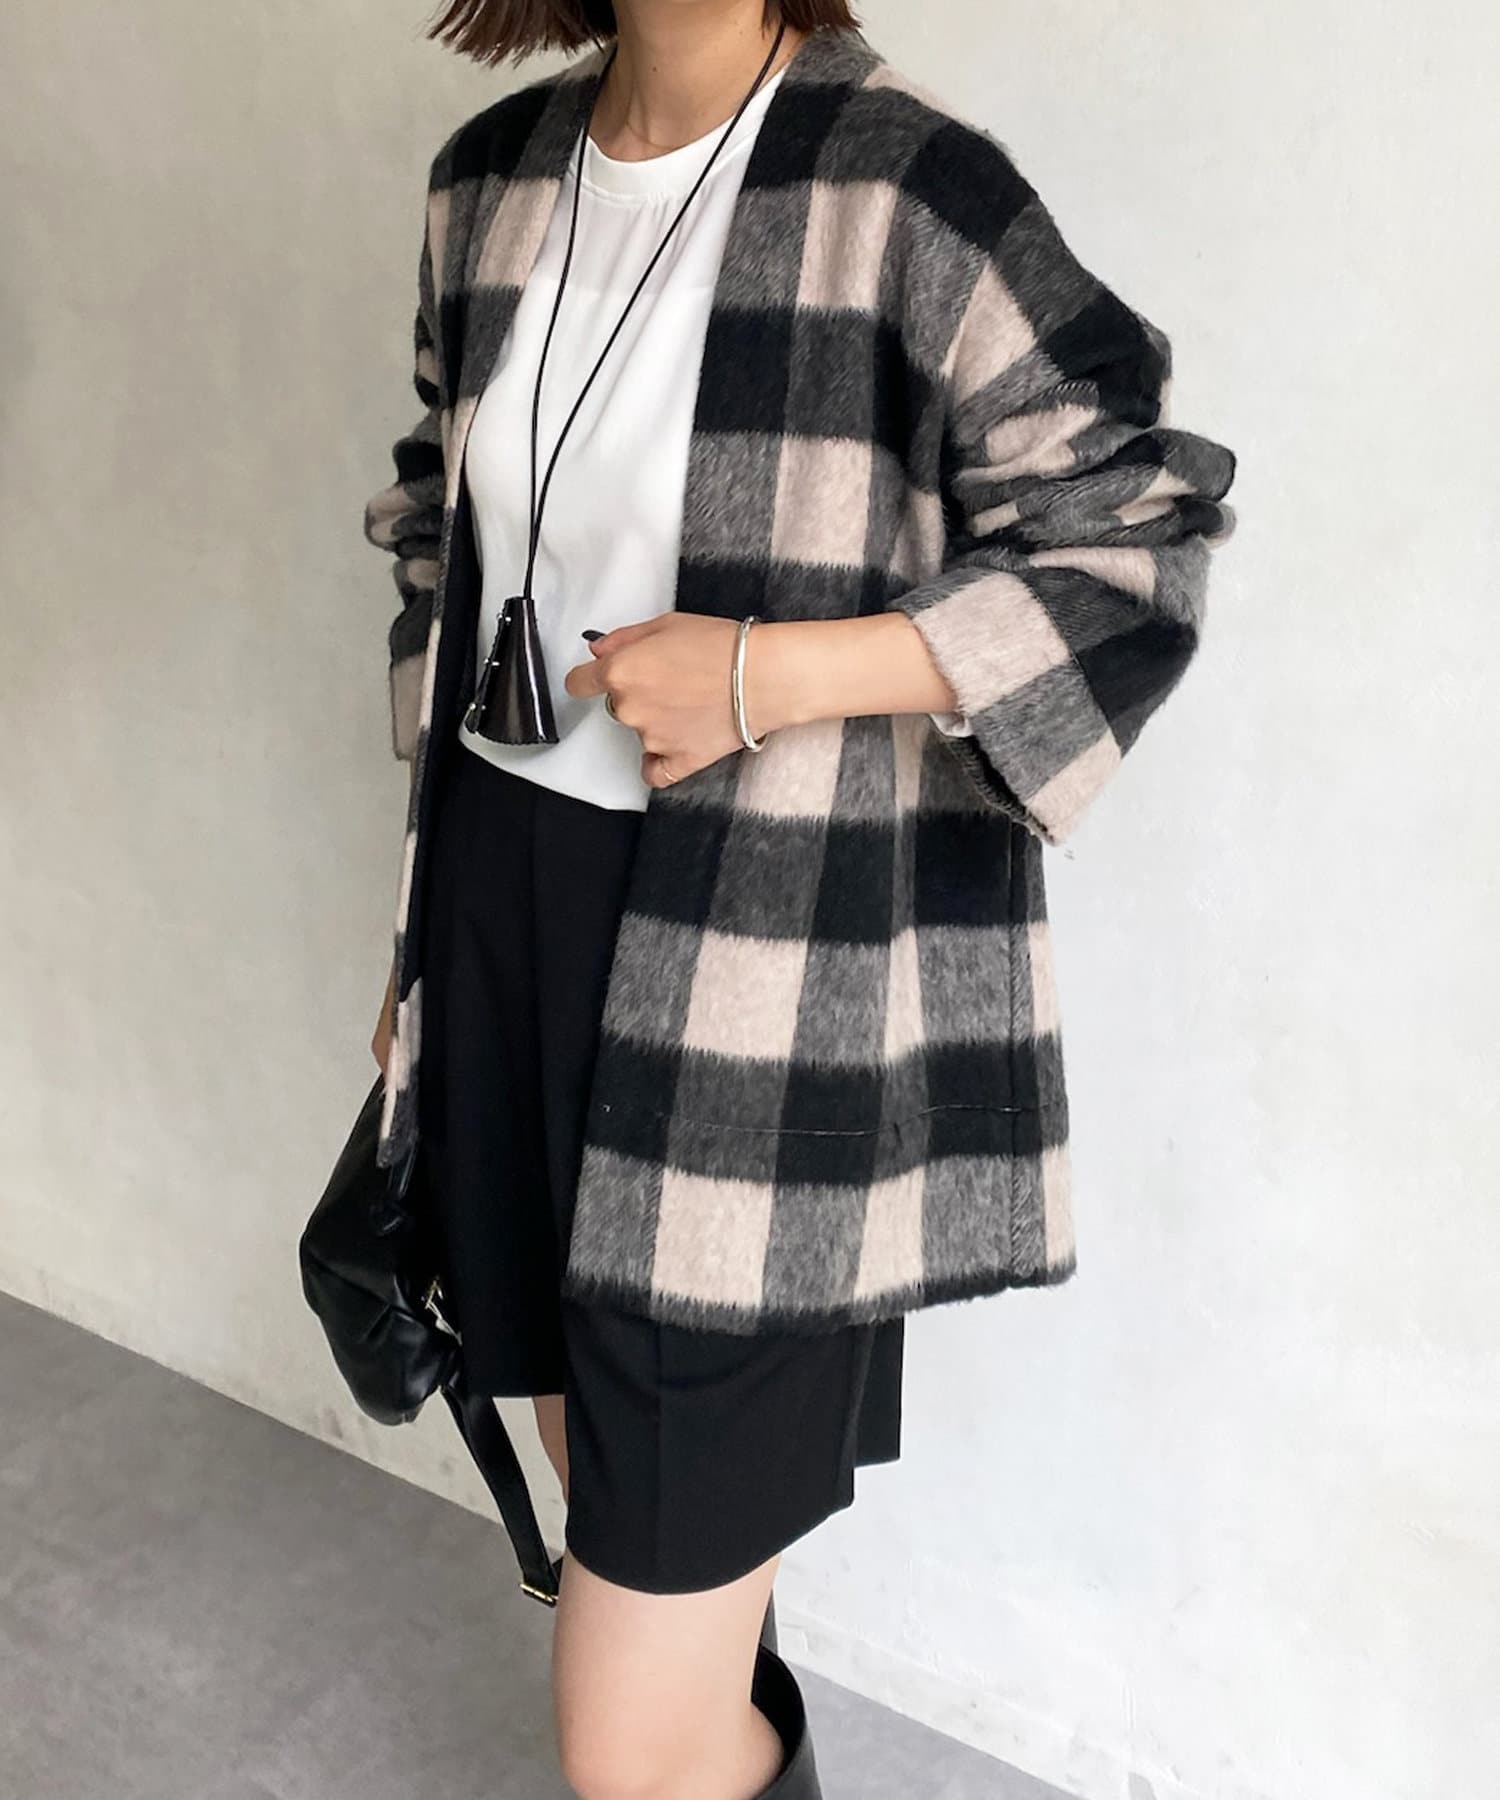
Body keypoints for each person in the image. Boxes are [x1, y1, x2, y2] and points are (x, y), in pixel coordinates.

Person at [362, 3, 1238, 1796]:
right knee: (630, 1525)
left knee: (629, 1729)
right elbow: (437, 531)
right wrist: (420, 950)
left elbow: (1134, 540)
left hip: (764, 960)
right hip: (505, 923)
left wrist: (770, 677)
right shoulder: (488, 183)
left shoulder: (910, 188)